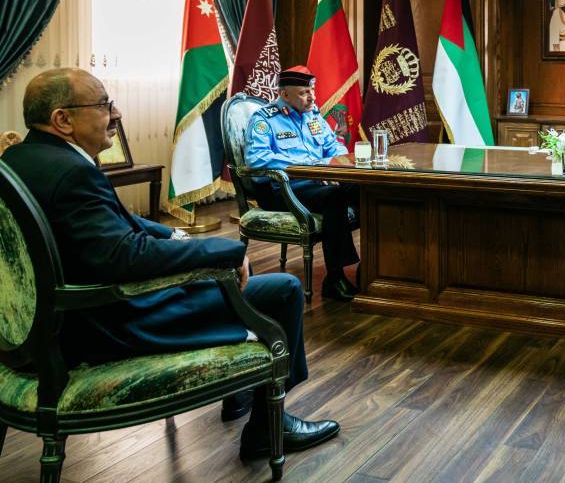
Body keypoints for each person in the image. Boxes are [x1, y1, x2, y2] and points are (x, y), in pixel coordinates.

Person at [1, 68, 340, 460]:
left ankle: (243, 387)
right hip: (113, 323)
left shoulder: (21, 159)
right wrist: (223, 252)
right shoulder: (73, 173)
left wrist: (175, 236)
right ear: (62, 119)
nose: (117, 114)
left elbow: (117, 223)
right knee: (284, 291)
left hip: (44, 326)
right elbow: (125, 256)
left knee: (224, 284)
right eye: (104, 105)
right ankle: (268, 426)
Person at [244, 66, 360, 302]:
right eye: (304, 92)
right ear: (284, 95)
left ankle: (372, 267)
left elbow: (333, 147)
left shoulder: (313, 116)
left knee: (363, 189)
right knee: (334, 197)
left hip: (313, 183)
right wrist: (309, 167)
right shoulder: (265, 119)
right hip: (279, 188)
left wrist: (339, 164)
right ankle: (334, 279)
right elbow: (257, 160)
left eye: (312, 90)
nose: (312, 97)